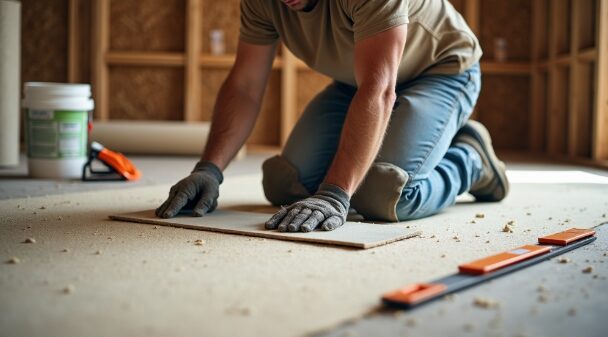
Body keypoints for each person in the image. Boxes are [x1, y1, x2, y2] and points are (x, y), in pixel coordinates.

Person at [156, 0, 509, 233]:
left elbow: (380, 88)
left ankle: (470, 160)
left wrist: (336, 194)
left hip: (439, 70)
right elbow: (246, 85)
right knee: (284, 183)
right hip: (357, 81)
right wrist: (209, 169)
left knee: (384, 194)